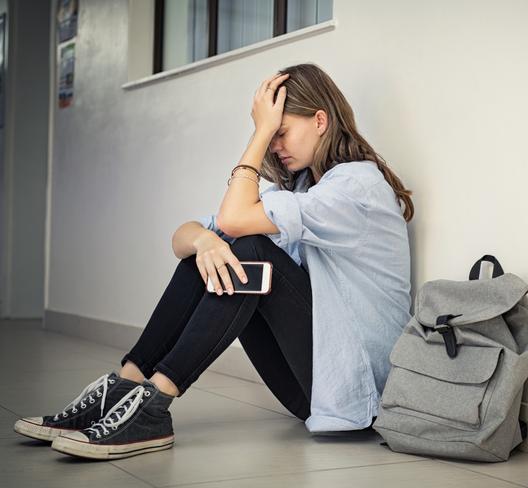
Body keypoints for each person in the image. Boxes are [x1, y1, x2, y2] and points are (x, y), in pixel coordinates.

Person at [13, 63, 414, 460]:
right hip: (315, 388)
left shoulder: (356, 186)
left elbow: (233, 220)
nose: (275, 145)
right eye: (270, 136)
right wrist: (205, 241)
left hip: (359, 392)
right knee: (207, 254)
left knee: (249, 250)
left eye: (281, 132)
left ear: (320, 120)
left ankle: (154, 406)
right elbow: (183, 238)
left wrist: (258, 133)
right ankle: (124, 387)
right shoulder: (305, 188)